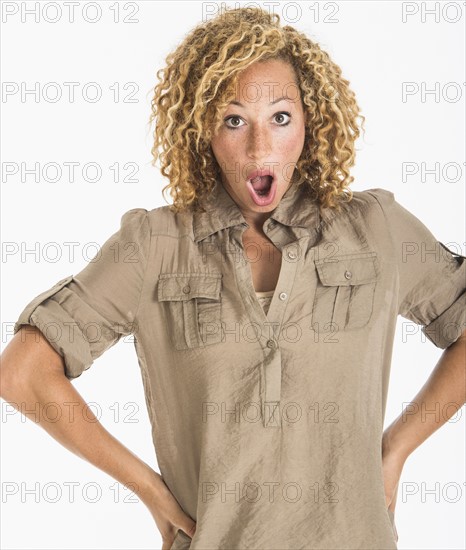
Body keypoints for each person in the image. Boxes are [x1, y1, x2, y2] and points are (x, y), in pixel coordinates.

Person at [1, 6, 465, 550]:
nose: (259, 148)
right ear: (203, 129)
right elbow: (23, 374)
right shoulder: (155, 246)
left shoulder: (375, 229)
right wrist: (149, 488)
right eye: (234, 119)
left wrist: (397, 447)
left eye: (281, 117)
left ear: (311, 121)